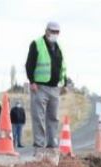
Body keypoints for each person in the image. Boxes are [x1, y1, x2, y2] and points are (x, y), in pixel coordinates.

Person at [26, 21, 66, 152]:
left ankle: (51, 143)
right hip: (40, 87)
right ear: (46, 31)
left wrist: (64, 83)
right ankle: (39, 144)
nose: (54, 34)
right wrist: (32, 81)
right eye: (52, 31)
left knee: (53, 117)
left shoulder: (59, 48)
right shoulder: (37, 44)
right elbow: (29, 64)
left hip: (54, 88)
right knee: (38, 116)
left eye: (56, 32)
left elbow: (63, 67)